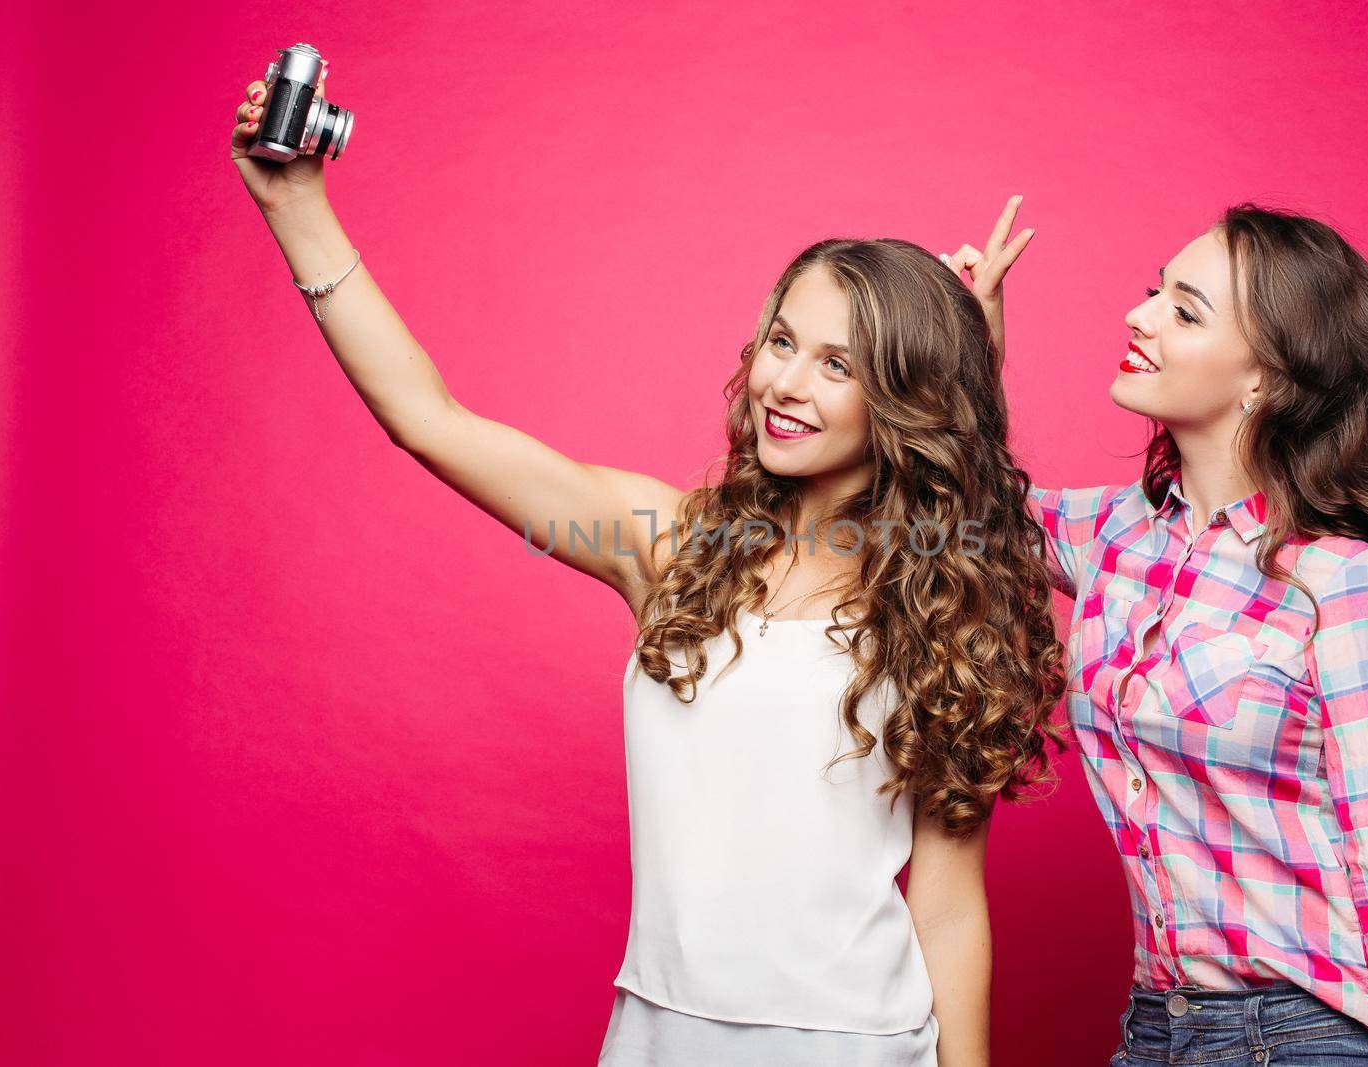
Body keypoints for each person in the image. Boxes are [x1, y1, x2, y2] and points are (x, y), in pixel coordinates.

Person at [230, 80, 1068, 1066]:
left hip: (860, 1043)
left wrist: (974, 366)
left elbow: (948, 902)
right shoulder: (668, 543)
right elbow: (430, 421)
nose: (785, 383)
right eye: (783, 341)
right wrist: (297, 207)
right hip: (656, 1035)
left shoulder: (933, 596)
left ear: (899, 399)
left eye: (837, 365)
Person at [940, 198, 1368, 1065]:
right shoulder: (1117, 536)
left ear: (1265, 378)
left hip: (1312, 1034)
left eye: (1184, 310)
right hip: (1157, 1028)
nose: (1139, 315)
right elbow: (963, 510)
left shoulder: (1347, 583)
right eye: (1155, 292)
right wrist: (972, 357)